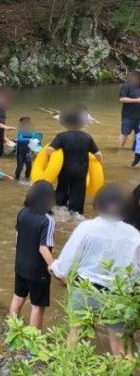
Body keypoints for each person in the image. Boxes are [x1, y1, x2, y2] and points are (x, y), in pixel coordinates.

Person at [50, 185, 140, 357]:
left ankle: (68, 369)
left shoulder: (87, 227)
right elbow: (137, 269)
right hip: (119, 293)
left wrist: (58, 272)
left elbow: (68, 257)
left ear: (98, 204)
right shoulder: (134, 234)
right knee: (121, 345)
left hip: (85, 288)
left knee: (75, 333)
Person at [9, 181, 56, 330]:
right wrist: (56, 270)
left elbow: (17, 237)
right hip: (38, 271)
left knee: (18, 297)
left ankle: (12, 331)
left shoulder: (22, 212)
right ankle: (33, 345)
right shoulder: (48, 220)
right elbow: (43, 248)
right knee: (37, 307)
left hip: (21, 265)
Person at [46, 109, 102, 216]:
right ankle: (75, 212)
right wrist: (99, 165)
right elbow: (98, 155)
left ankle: (60, 206)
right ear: (81, 123)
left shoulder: (61, 136)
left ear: (65, 124)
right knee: (78, 191)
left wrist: (49, 160)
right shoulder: (87, 137)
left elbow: (49, 150)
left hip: (65, 170)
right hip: (81, 172)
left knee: (62, 188)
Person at [118, 69, 140, 148]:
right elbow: (122, 99)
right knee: (124, 134)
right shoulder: (126, 86)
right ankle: (119, 150)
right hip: (128, 116)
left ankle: (135, 150)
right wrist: (136, 100)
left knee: (138, 135)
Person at [14, 117, 38, 183]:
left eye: (28, 123)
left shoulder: (31, 132)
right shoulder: (20, 131)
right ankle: (16, 179)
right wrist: (29, 139)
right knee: (20, 167)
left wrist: (35, 142)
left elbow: (34, 138)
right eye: (25, 123)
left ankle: (27, 179)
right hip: (20, 152)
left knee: (29, 166)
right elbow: (20, 139)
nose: (27, 125)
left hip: (28, 152)